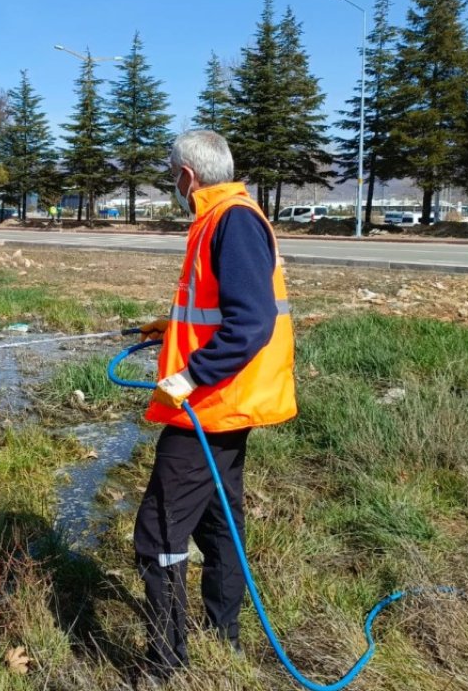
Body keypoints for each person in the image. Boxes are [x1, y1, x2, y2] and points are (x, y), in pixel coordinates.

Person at [134, 129, 297, 681]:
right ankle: (221, 638)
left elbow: (251, 323)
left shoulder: (233, 221)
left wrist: (188, 377)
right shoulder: (221, 217)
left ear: (187, 176)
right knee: (217, 524)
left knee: (158, 533)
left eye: (172, 179)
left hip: (211, 404)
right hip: (224, 404)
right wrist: (171, 328)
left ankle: (166, 662)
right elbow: (218, 311)